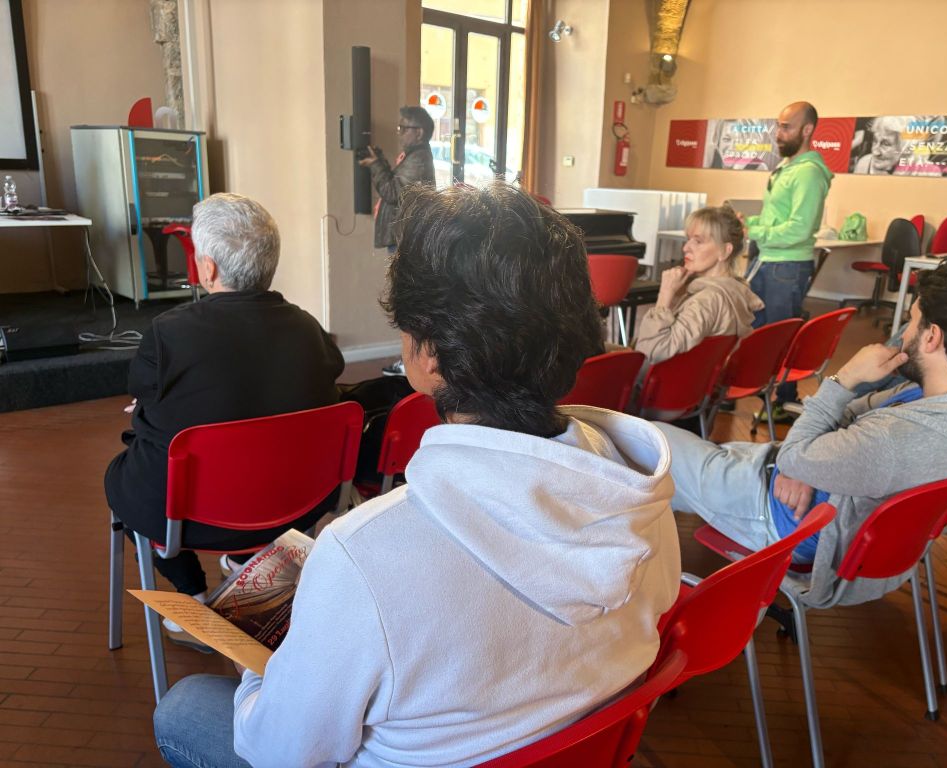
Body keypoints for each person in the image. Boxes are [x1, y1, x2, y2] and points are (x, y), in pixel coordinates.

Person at [152, 183, 682, 768]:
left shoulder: (363, 557)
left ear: (428, 356)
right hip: (580, 747)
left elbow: (280, 753)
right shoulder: (640, 495)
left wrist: (262, 662)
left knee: (184, 708)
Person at [655, 258, 947, 608]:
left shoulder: (893, 439)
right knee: (664, 478)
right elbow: (852, 415)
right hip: (798, 484)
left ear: (932, 338)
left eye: (912, 321)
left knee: (643, 441)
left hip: (778, 516)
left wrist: (844, 378)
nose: (903, 334)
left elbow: (806, 448)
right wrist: (803, 464)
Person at [105, 193, 345, 647]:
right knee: (254, 444)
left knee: (130, 477)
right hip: (296, 501)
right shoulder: (309, 328)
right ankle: (244, 561)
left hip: (193, 517)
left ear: (208, 268)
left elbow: (146, 398)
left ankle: (192, 593)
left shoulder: (168, 333)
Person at [744, 101, 833, 418]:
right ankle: (750, 391)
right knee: (755, 331)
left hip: (785, 267)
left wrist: (754, 229)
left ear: (807, 130)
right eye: (778, 125)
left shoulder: (808, 174)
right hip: (768, 260)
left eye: (787, 127)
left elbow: (800, 228)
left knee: (781, 336)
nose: (778, 133)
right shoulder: (788, 167)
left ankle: (782, 400)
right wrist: (754, 229)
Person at [359, 105, 436, 378]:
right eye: (400, 127)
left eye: (405, 128)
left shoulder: (419, 159)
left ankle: (411, 363)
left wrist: (376, 165)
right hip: (404, 236)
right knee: (405, 299)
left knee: (407, 301)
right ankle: (410, 360)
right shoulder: (414, 156)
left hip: (407, 238)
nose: (400, 132)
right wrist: (379, 161)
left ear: (420, 132)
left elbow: (393, 191)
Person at [634, 205, 763, 366]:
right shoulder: (736, 291)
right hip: (701, 385)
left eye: (698, 241)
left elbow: (650, 353)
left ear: (725, 251)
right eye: (689, 239)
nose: (686, 247)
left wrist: (665, 295)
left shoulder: (705, 302)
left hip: (664, 387)